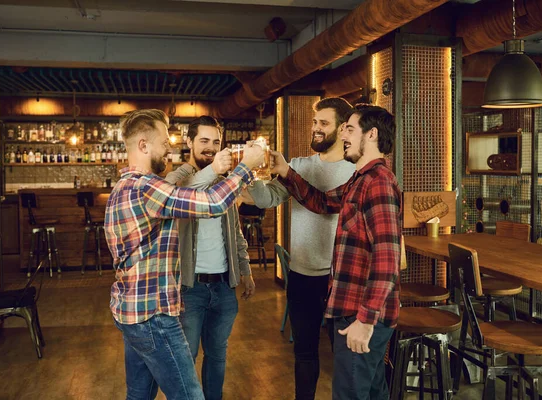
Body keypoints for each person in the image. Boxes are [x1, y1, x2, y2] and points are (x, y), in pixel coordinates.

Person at [104, 109, 264, 400]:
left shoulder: (123, 186)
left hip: (132, 310)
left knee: (139, 394)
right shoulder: (145, 188)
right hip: (153, 314)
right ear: (143, 145)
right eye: (164, 141)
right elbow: (213, 202)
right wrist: (246, 167)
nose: (169, 147)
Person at [271, 105, 402, 400]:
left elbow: (387, 258)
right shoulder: (360, 180)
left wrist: (366, 320)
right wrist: (285, 171)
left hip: (360, 313)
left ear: (371, 134)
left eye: (350, 129)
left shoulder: (378, 182)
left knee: (350, 394)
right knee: (370, 392)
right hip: (351, 308)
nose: (343, 134)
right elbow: (320, 201)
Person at [244, 98, 355, 400]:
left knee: (344, 358)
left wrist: (286, 172)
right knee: (304, 354)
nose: (316, 128)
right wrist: (253, 173)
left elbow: (325, 204)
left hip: (339, 280)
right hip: (302, 275)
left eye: (323, 123)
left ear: (343, 128)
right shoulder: (300, 165)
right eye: (314, 122)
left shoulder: (355, 171)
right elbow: (266, 200)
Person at [164, 116, 255, 400]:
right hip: (189, 289)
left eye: (216, 142)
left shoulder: (222, 181)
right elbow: (180, 194)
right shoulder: (177, 177)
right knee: (185, 359)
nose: (211, 148)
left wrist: (245, 269)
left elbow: (235, 232)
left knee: (217, 357)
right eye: (204, 141)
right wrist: (217, 170)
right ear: (189, 142)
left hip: (224, 287)